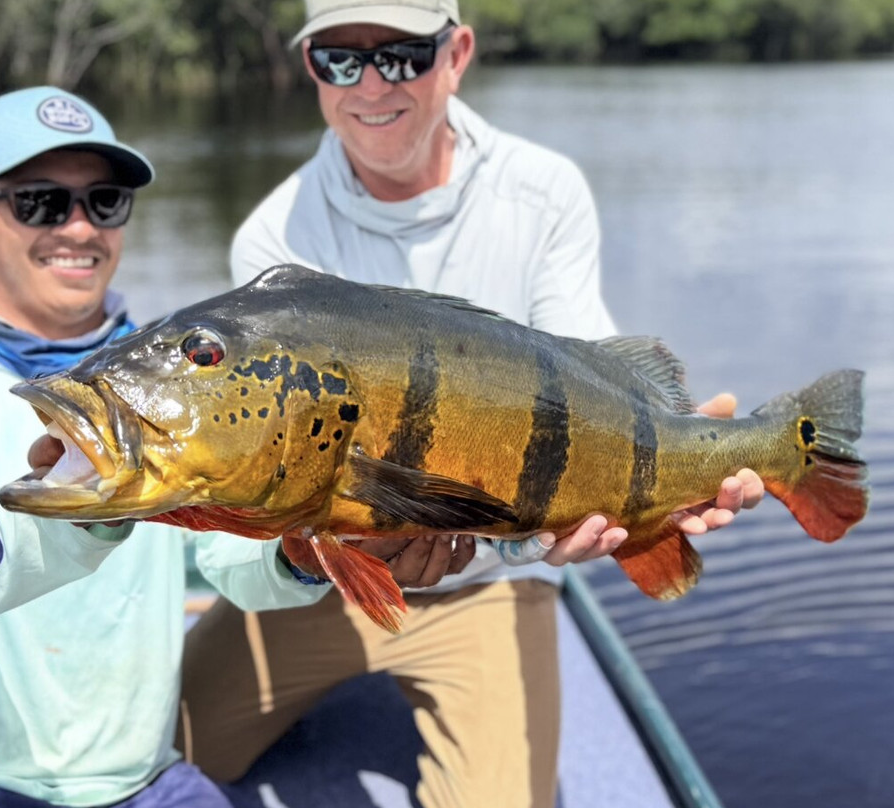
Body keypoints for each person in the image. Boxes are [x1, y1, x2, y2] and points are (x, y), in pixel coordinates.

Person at [176, 2, 765, 807]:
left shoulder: (543, 192)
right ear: (311, 69)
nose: (371, 85)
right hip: (327, 575)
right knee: (174, 749)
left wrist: (598, 509)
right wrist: (316, 557)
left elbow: (594, 387)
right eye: (340, 60)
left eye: (403, 56)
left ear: (456, 55)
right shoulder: (275, 236)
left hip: (488, 586)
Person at [0, 86, 336, 808]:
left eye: (104, 202)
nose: (78, 227)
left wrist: (304, 549)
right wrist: (86, 508)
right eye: (40, 202)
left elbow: (232, 561)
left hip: (136, 782)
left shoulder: (190, 376)